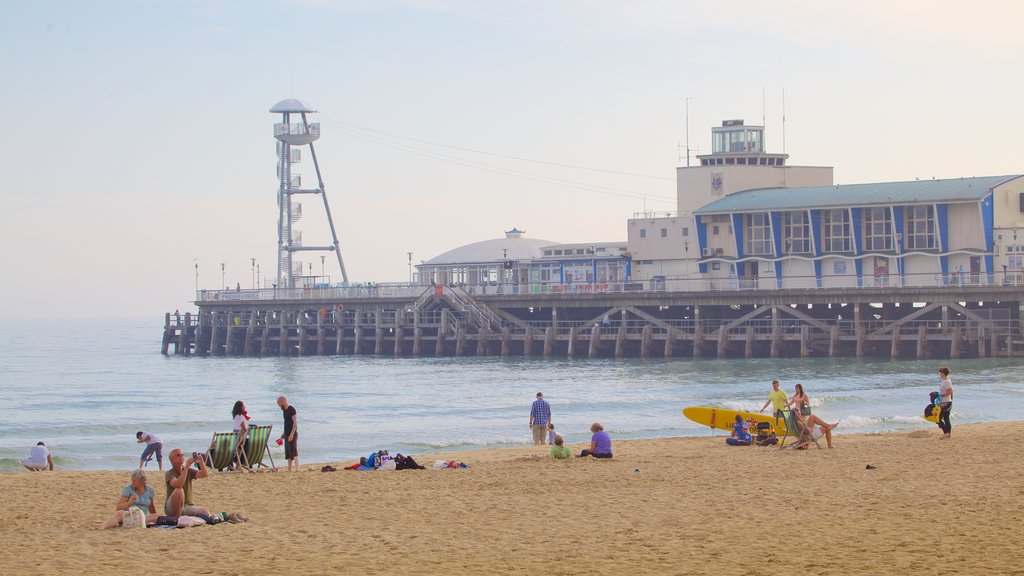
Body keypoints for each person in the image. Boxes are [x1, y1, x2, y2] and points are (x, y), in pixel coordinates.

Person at [164, 447, 210, 517]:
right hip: (172, 507)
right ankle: (177, 518)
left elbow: (204, 474)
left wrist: (201, 461)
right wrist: (187, 467)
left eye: (182, 455)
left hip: (187, 506)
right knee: (179, 491)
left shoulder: (188, 470)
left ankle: (183, 517)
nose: (181, 457)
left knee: (205, 512)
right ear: (172, 460)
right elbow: (178, 484)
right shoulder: (170, 473)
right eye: (178, 455)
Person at [277, 396, 299, 472]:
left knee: (294, 451)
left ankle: (297, 469)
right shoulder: (284, 411)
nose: (279, 406)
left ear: (283, 402)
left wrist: (292, 434)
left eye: (279, 404)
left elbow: (295, 423)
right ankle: (289, 468)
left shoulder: (291, 409)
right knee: (288, 452)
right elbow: (286, 423)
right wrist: (283, 434)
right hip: (286, 434)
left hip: (292, 434)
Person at [232, 400, 250, 470]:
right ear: (240, 407)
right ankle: (238, 467)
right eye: (243, 405)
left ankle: (237, 467)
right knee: (240, 452)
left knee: (238, 451)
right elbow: (243, 428)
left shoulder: (236, 416)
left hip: (235, 434)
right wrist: (250, 433)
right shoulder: (241, 416)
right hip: (240, 436)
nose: (245, 406)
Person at [938, 366, 953, 439]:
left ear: (943, 373)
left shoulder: (946, 381)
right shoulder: (945, 381)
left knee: (938, 418)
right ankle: (948, 434)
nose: (939, 374)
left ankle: (946, 433)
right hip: (946, 402)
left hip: (946, 402)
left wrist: (942, 395)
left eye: (940, 372)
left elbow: (950, 392)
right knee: (946, 418)